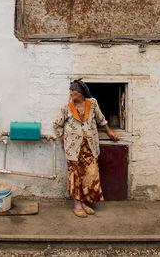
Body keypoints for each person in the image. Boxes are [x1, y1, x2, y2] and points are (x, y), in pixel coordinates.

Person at [53, 79, 119, 218]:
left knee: (90, 175)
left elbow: (101, 120)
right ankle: (77, 205)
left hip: (89, 147)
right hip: (73, 148)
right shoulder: (67, 107)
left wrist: (109, 131)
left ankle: (84, 203)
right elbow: (57, 125)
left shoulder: (92, 104)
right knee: (75, 176)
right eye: (70, 90)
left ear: (81, 92)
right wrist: (62, 139)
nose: (71, 93)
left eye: (73, 91)